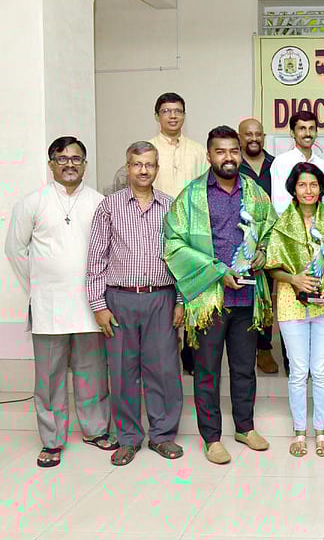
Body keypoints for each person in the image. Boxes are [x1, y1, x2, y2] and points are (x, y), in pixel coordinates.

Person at [163, 126, 277, 465]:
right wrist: (217, 271)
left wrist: (263, 253)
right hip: (208, 300)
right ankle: (211, 437)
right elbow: (173, 244)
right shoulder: (192, 195)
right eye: (220, 152)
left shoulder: (254, 193)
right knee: (207, 371)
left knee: (244, 368)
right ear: (209, 155)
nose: (228, 157)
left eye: (233, 151)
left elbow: (271, 230)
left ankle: (245, 427)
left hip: (246, 299)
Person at [5, 136, 117, 467]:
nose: (70, 164)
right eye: (62, 158)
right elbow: (15, 250)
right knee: (50, 377)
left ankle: (95, 429)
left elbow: (108, 252)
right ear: (51, 163)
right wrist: (40, 285)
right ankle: (52, 439)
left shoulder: (99, 202)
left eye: (76, 159)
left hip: (89, 306)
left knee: (92, 373)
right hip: (48, 306)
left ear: (85, 164)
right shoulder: (33, 202)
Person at [86, 141, 185, 466]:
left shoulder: (171, 207)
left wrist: (181, 300)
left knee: (164, 370)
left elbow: (180, 259)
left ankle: (162, 436)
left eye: (150, 165)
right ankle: (128, 438)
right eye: (137, 164)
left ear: (157, 168)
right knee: (123, 372)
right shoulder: (109, 207)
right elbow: (96, 260)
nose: (143, 170)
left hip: (161, 297)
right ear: (127, 167)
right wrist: (98, 304)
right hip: (120, 300)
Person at [265, 162, 324, 458]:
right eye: (302, 185)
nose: (308, 190)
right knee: (298, 371)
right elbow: (272, 267)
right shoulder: (282, 225)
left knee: (321, 371)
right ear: (293, 190)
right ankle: (299, 433)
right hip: (290, 303)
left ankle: (320, 432)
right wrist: (293, 279)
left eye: (313, 185)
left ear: (321, 189)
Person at [146, 92, 208, 377]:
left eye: (178, 111)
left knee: (191, 293)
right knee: (164, 293)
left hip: (191, 233)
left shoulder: (197, 151)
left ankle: (191, 355)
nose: (173, 116)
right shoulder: (147, 150)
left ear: (184, 115)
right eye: (167, 111)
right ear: (157, 115)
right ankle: (165, 355)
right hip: (155, 230)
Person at [237, 117, 280, 375]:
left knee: (267, 296)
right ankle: (244, 348)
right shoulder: (233, 166)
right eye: (248, 134)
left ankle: (264, 348)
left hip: (269, 240)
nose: (254, 139)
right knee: (241, 296)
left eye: (258, 134)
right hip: (238, 241)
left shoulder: (276, 166)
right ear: (240, 137)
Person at [271, 110, 324, 216]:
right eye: (302, 129)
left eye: (311, 129)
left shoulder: (323, 165)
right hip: (289, 226)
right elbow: (279, 204)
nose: (307, 133)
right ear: (292, 133)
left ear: (316, 132)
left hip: (318, 227)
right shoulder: (281, 162)